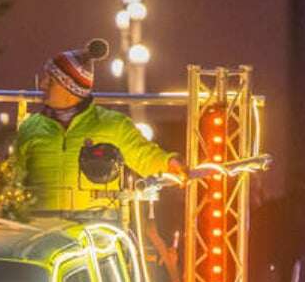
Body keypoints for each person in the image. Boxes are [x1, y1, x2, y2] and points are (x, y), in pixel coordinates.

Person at [14, 39, 185, 217]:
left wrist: (169, 163)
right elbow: (13, 178)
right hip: (39, 233)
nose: (42, 85)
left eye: (50, 81)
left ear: (70, 89)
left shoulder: (113, 125)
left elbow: (144, 156)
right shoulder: (30, 127)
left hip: (96, 233)